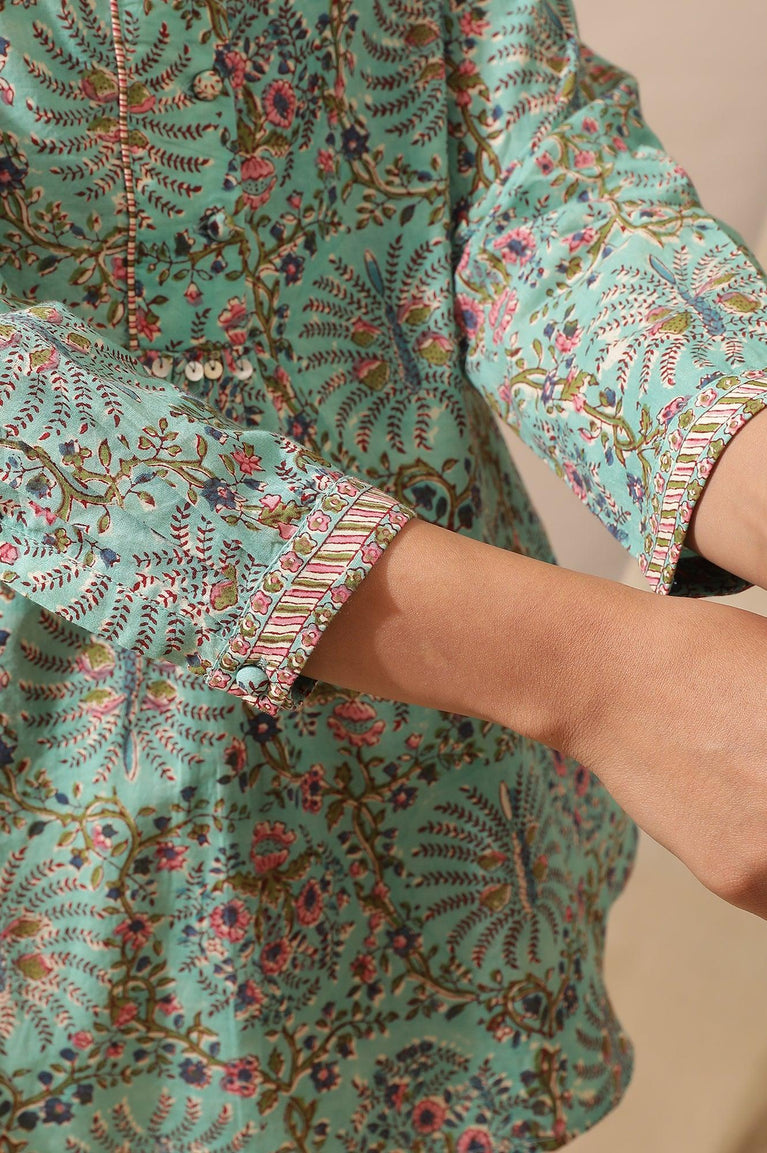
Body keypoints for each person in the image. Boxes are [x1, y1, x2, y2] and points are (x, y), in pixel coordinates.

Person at [1, 0, 767, 1148]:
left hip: (452, 840)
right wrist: (605, 674)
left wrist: (742, 454)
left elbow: (527, 166)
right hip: (78, 916)